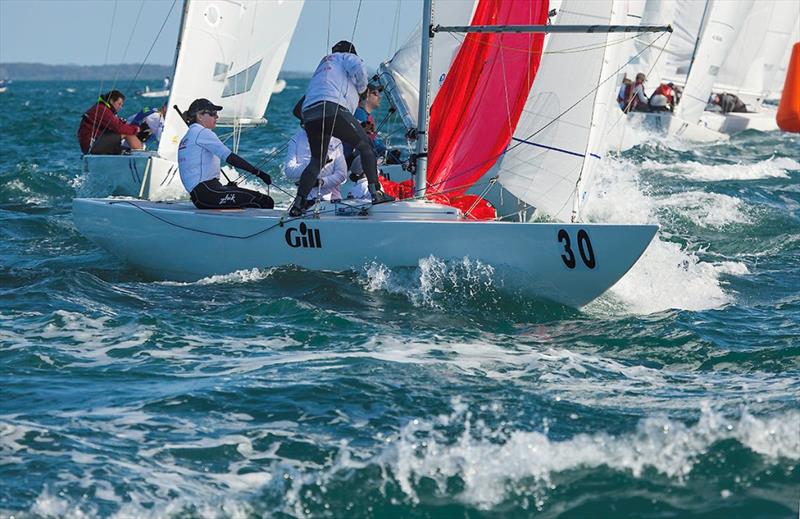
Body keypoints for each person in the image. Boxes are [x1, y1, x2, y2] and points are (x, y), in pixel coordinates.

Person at [289, 40, 394, 217]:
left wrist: (307, 122)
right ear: (352, 53)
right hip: (333, 109)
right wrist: (362, 88)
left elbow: (298, 110)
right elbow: (358, 67)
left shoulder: (324, 70)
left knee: (317, 161)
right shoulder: (347, 58)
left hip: (311, 114)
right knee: (366, 146)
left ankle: (298, 204)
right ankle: (376, 193)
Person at [178, 98, 274, 209]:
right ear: (200, 116)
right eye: (213, 114)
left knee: (257, 199)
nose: (216, 117)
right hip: (206, 194)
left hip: (203, 194)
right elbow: (230, 157)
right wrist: (258, 173)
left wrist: (226, 189)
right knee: (264, 201)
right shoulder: (202, 132)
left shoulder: (188, 136)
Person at [284, 128, 348, 204]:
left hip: (330, 200)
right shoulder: (296, 138)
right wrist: (315, 163)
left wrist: (321, 182)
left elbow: (341, 175)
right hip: (305, 200)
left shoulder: (335, 141)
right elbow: (289, 172)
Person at [77, 90, 143, 154]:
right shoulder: (102, 110)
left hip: (93, 144)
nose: (120, 107)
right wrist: (135, 129)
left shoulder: (102, 108)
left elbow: (116, 126)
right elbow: (118, 128)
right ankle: (140, 155)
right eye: (119, 104)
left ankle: (137, 154)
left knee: (125, 149)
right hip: (91, 146)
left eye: (121, 105)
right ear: (111, 101)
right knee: (127, 133)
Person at [354, 79, 387, 158]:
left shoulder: (363, 114)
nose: (379, 97)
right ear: (367, 94)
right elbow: (367, 141)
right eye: (375, 94)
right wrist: (386, 152)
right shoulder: (359, 114)